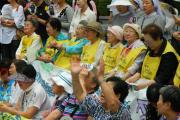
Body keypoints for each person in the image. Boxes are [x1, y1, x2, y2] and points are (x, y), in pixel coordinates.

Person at [127, 24, 178, 90]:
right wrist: (135, 76)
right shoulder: (151, 46)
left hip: (158, 88)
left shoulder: (169, 54)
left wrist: (144, 85)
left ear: (158, 38)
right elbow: (143, 64)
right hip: (143, 82)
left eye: (149, 42)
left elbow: (162, 79)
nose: (147, 44)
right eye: (145, 41)